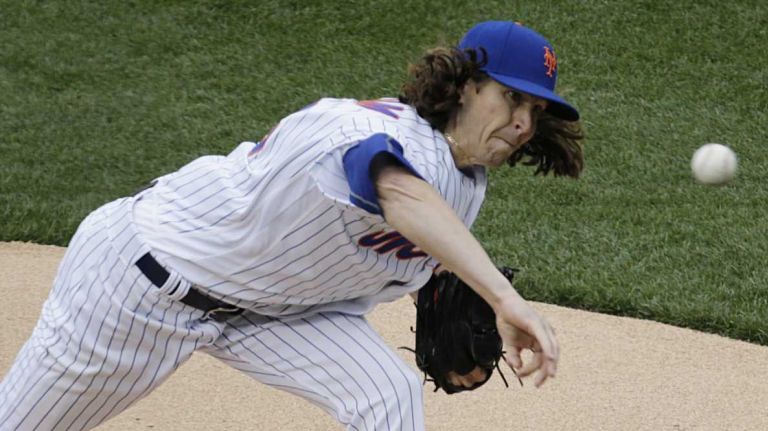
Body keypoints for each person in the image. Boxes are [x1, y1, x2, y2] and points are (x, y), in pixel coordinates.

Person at [0, 20, 583, 430]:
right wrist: (502, 297)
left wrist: (437, 294)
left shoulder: (465, 178)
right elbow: (396, 190)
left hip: (268, 312)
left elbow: (403, 237)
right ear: (463, 86)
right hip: (142, 287)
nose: (524, 123)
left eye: (536, 110)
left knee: (387, 394)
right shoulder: (378, 137)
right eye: (511, 98)